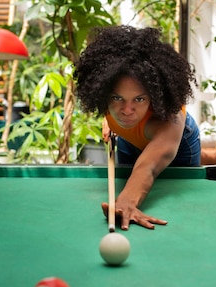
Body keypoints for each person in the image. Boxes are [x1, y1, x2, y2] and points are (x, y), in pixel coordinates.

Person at [74, 25, 201, 230]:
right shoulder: (109, 92)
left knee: (179, 199)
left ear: (154, 96)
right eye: (117, 98)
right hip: (129, 140)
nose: (126, 111)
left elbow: (147, 167)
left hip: (181, 144)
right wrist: (109, 120)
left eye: (139, 99)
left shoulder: (168, 122)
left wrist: (126, 202)